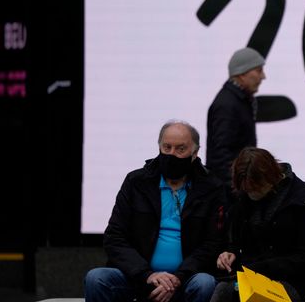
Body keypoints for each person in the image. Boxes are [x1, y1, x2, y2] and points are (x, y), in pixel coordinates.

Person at [85, 120, 223, 302]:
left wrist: (178, 278)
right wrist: (146, 274)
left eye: (181, 149)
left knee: (205, 283)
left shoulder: (211, 188)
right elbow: (114, 237)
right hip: (139, 278)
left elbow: (212, 243)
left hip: (186, 279)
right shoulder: (136, 183)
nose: (172, 154)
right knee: (97, 278)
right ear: (159, 147)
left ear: (195, 153)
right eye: (167, 147)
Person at [210, 147, 305, 302]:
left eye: (256, 189)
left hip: (288, 282)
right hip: (247, 279)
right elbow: (236, 243)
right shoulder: (243, 198)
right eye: (247, 190)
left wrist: (259, 269)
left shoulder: (301, 200)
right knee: (222, 291)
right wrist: (230, 253)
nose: (252, 194)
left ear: (271, 177)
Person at [207, 47, 266, 186]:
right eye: (259, 70)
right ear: (242, 73)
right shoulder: (227, 105)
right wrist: (237, 188)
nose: (263, 76)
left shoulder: (239, 100)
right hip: (229, 192)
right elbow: (221, 155)